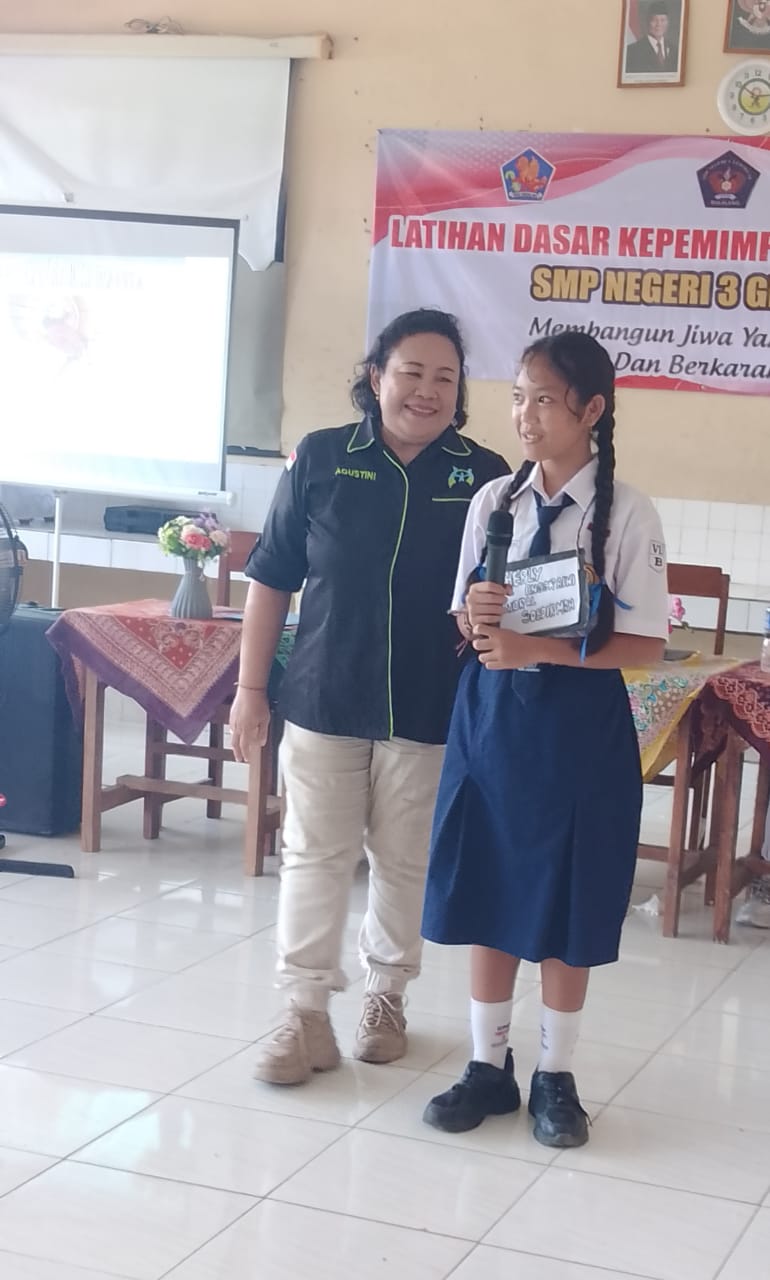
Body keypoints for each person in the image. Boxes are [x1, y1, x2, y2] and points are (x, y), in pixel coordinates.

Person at [230, 308, 509, 1086]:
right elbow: (271, 580)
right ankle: (304, 1013)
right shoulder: (322, 457)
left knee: (404, 860)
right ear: (376, 377)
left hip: (432, 704)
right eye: (411, 372)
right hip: (325, 695)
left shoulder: (485, 475)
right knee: (313, 855)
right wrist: (251, 689)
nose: (427, 390)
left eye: (445, 378)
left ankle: (387, 998)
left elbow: (505, 594)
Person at [420, 331, 668, 1148]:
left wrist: (541, 649)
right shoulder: (495, 501)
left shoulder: (626, 512)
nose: (525, 416)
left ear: (591, 410)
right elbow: (464, 615)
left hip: (579, 731)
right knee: (487, 886)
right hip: (492, 721)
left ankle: (556, 1077)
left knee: (569, 897)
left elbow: (644, 645)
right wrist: (476, 619)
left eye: (545, 401)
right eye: (518, 397)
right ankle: (487, 1066)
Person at [625, 3, 679, 74]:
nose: (659, 24)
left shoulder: (674, 50)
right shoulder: (632, 51)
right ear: (648, 22)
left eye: (663, 20)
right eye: (654, 20)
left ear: (668, 22)